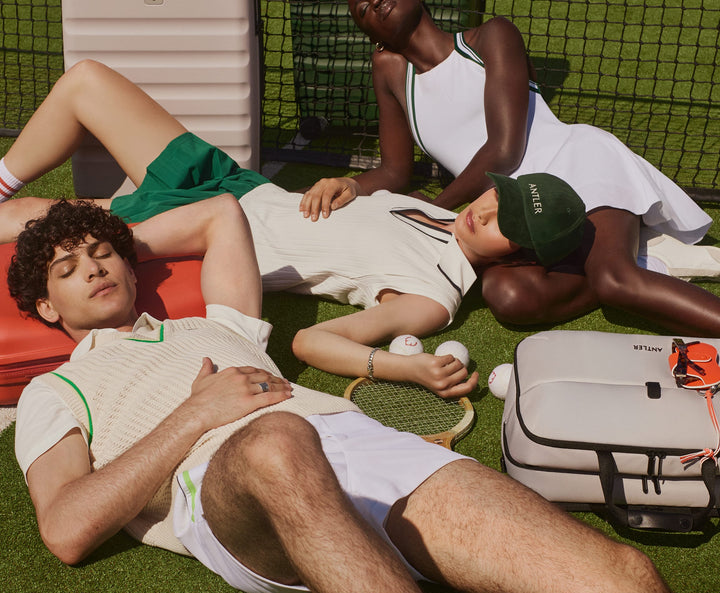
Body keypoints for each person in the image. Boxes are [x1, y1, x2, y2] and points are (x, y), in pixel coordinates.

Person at [8, 196, 720, 593]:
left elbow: (221, 214)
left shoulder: (216, 325)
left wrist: (107, 230)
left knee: (622, 575)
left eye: (103, 256)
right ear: (45, 307)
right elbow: (67, 529)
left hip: (356, 445)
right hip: (228, 486)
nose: (93, 269)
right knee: (277, 443)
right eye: (68, 270)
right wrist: (197, 414)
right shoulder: (56, 389)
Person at [0, 59, 589, 397]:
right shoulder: (438, 211)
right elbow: (363, 218)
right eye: (498, 196)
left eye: (506, 222)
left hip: (214, 229)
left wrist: (405, 367)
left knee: (44, 220)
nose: (485, 210)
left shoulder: (434, 295)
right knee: (87, 81)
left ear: (517, 255)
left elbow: (311, 342)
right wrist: (350, 186)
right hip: (237, 185)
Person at [298, 0, 720, 337]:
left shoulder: (491, 36)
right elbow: (395, 170)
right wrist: (349, 183)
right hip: (509, 210)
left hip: (573, 163)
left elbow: (505, 150)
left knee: (615, 282)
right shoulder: (390, 72)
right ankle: (648, 260)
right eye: (363, 8)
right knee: (510, 298)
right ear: (370, 35)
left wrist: (437, 211)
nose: (374, 1)